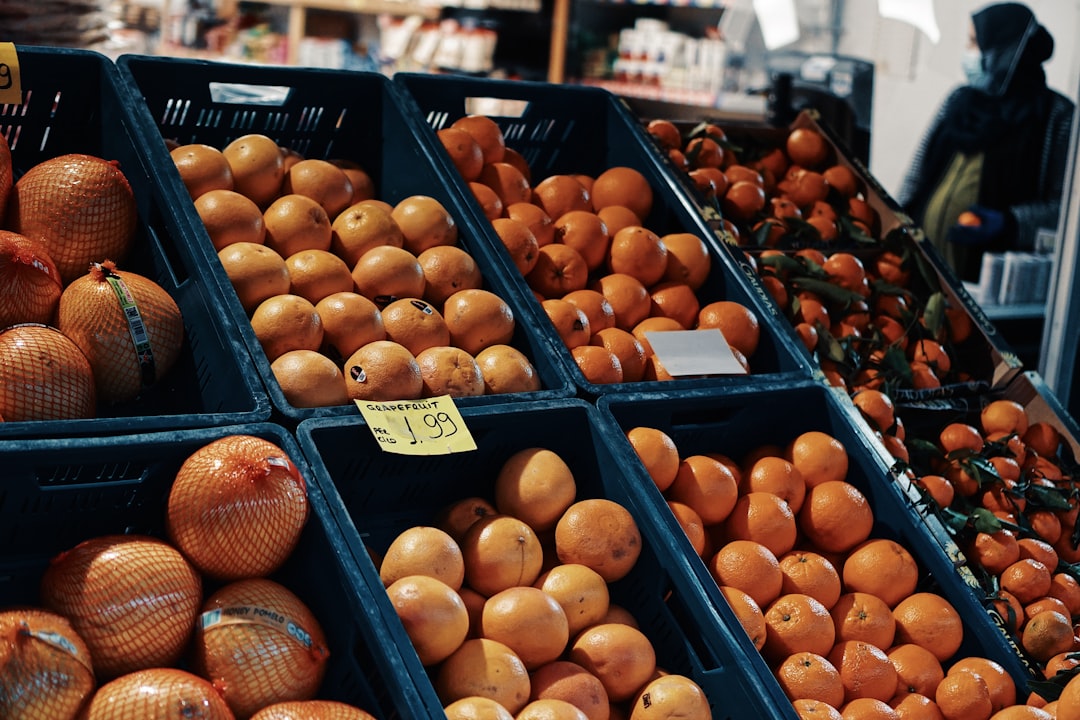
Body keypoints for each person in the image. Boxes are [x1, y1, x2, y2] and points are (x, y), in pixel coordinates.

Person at [897, 2, 1075, 283]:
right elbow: (917, 174)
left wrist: (1009, 223)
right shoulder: (959, 100)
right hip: (917, 265)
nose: (967, 54)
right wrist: (894, 222)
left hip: (989, 285)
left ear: (1004, 52)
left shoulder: (1055, 116)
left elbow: (1064, 209)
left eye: (973, 42)